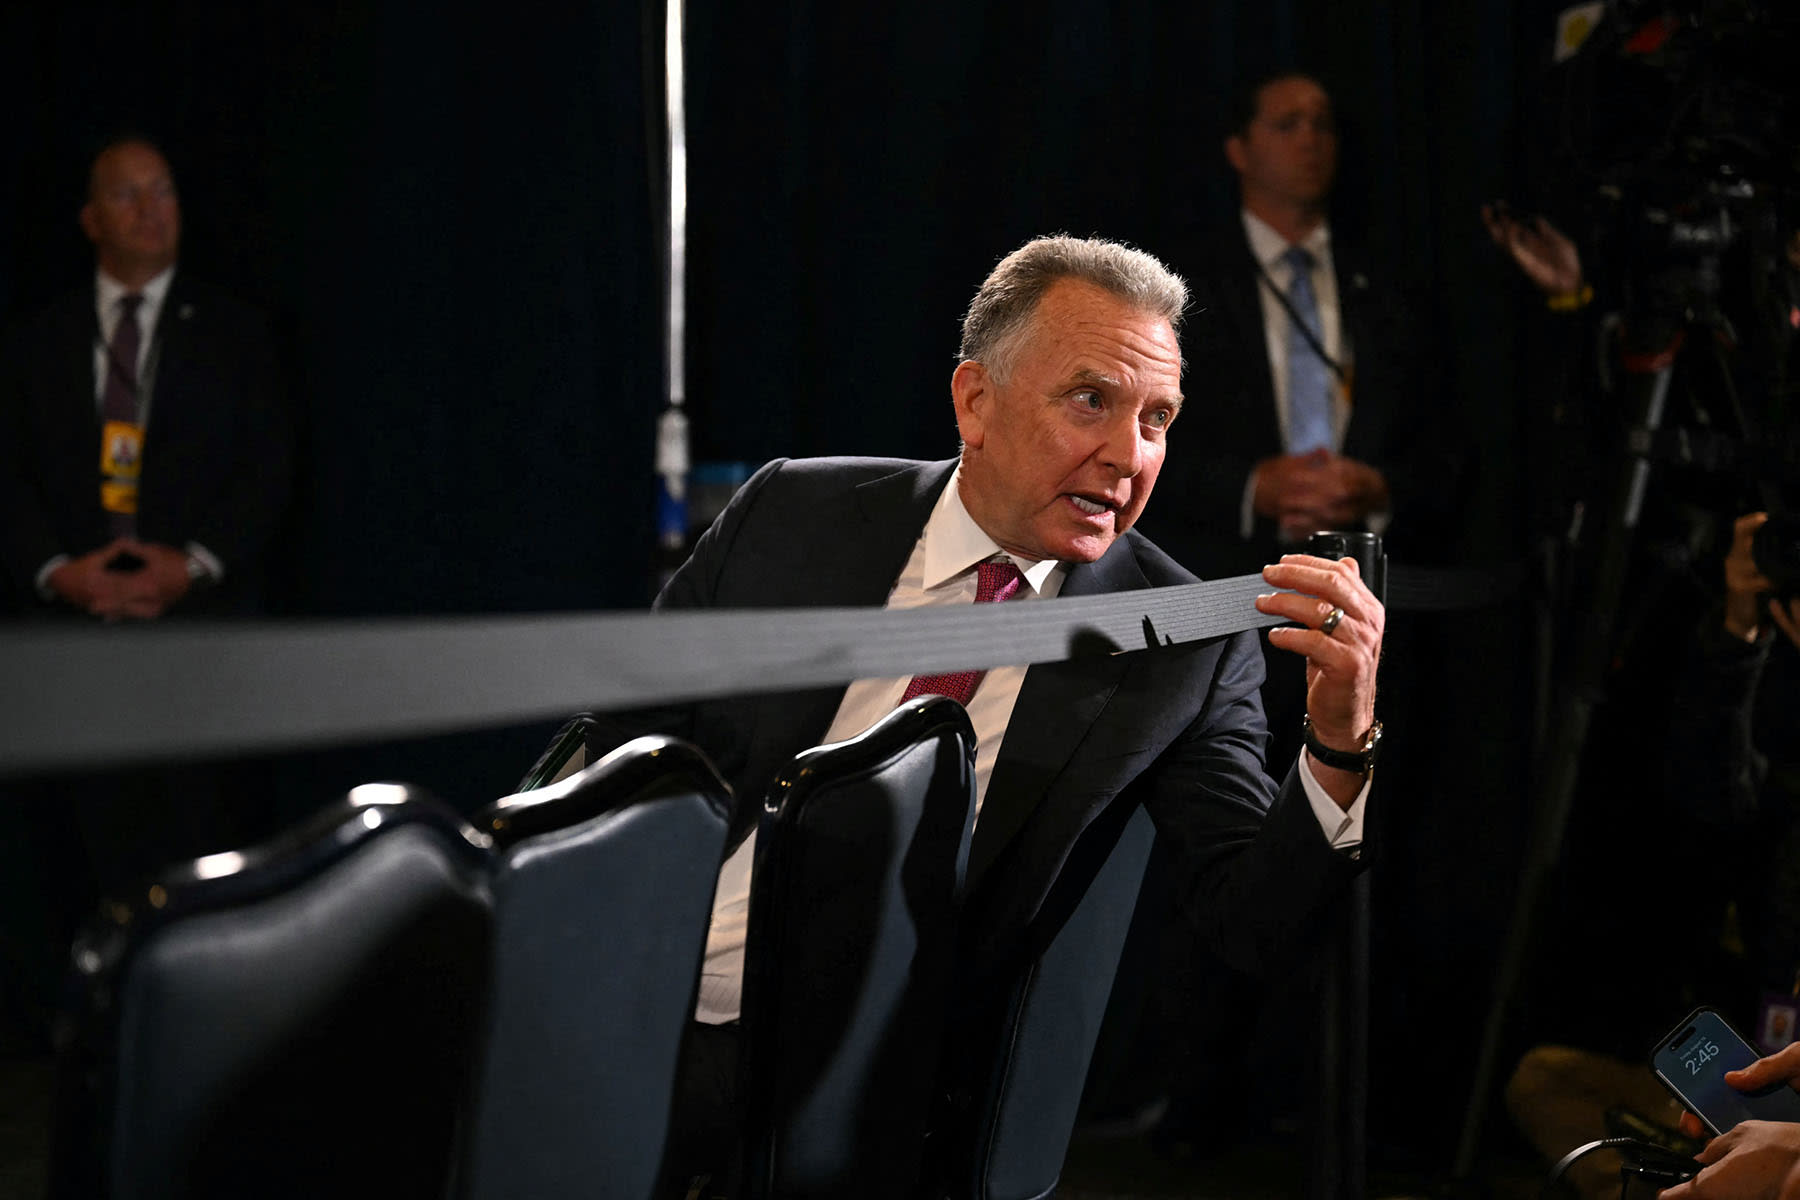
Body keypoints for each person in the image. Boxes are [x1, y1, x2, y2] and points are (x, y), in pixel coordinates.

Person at [593, 235, 1388, 1196]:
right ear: (976, 400)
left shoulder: (1178, 640)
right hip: (643, 995)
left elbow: (1254, 923)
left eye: (1157, 419)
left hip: (875, 1091)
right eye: (1090, 400)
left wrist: (1340, 739)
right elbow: (620, 753)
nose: (1129, 455)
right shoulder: (792, 513)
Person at [0, 135, 291, 619]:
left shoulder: (239, 334)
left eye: (162, 191)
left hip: (206, 620)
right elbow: (9, 472)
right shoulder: (35, 341)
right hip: (59, 624)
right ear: (91, 221)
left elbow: (268, 467)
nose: (148, 209)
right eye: (125, 194)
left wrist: (192, 567)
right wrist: (56, 572)